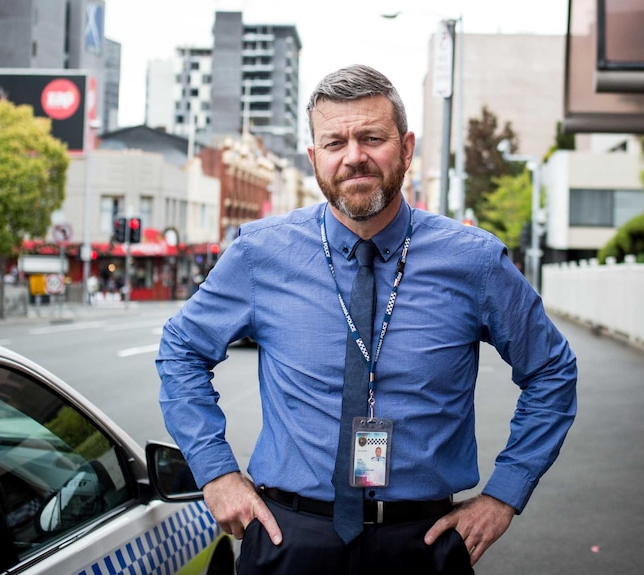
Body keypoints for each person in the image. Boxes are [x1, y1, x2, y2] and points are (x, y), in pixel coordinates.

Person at [156, 64, 577, 574]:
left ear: (406, 147)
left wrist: (505, 494)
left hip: (421, 545)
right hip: (288, 538)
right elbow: (180, 349)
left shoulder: (475, 262)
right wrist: (216, 472)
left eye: (372, 137)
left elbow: (551, 371)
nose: (353, 157)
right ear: (314, 159)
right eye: (334, 143)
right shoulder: (258, 255)